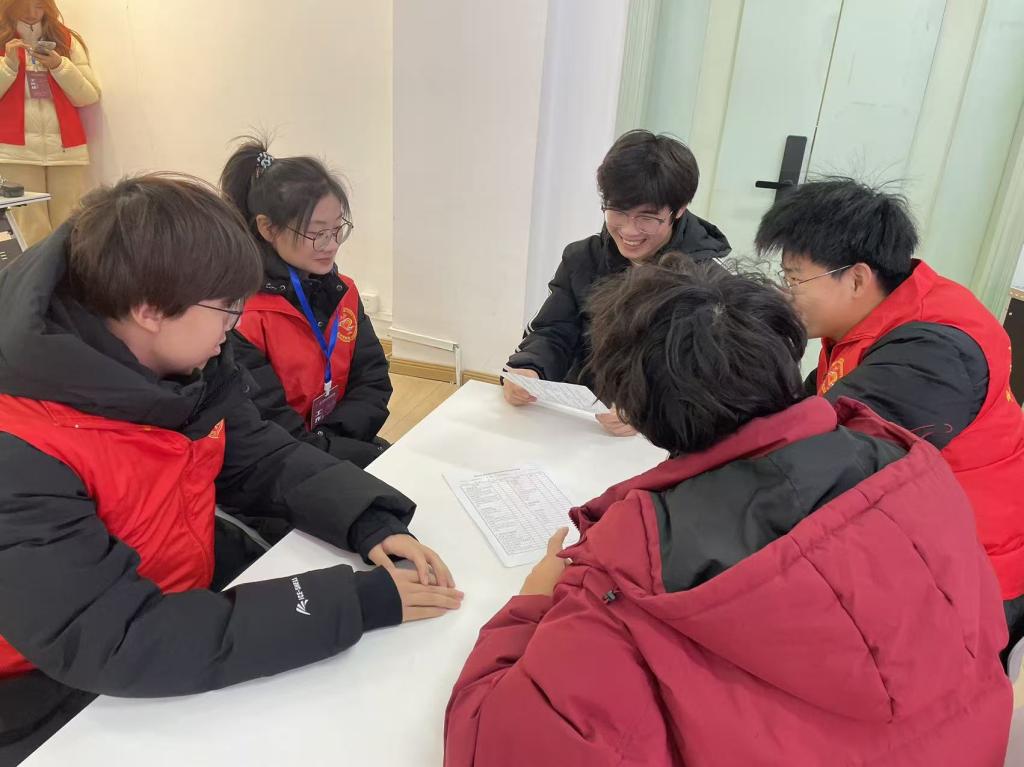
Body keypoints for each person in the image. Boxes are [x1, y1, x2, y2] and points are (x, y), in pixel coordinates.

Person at [445, 257, 1011, 766]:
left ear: (637, 410)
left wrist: (532, 601)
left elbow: (493, 743)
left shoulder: (631, 577)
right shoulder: (915, 476)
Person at [0, 175, 461, 763]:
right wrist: (349, 603)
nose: (234, 324)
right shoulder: (20, 451)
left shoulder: (186, 370)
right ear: (149, 310)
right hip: (46, 684)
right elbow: (114, 637)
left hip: (173, 605)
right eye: (225, 307)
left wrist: (366, 519)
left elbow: (260, 454)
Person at [756, 178, 1024, 659]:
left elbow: (822, 462)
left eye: (795, 279)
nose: (785, 293)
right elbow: (801, 411)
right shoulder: (878, 316)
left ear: (857, 279)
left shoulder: (931, 353)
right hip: (922, 542)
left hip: (973, 571)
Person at [503, 129, 730, 436]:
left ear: (679, 210)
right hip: (582, 421)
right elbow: (554, 330)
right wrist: (531, 368)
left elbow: (709, 378)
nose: (629, 230)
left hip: (662, 436)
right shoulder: (583, 258)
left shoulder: (708, 280)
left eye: (647, 217)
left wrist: (648, 412)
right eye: (618, 211)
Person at [222, 138, 391, 469]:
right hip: (280, 464)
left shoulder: (344, 292)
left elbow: (372, 380)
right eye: (317, 233)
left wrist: (335, 440)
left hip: (339, 444)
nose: (331, 245)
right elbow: (267, 423)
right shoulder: (242, 317)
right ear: (268, 228)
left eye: (337, 229)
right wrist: (333, 452)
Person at [0, 0, 100, 246]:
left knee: (71, 228)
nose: (31, 13)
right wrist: (8, 65)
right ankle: (38, 273)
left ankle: (69, 272)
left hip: (67, 150)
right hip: (15, 152)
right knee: (30, 232)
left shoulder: (66, 39)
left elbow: (88, 96)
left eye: (39, 6)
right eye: (24, 6)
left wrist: (59, 65)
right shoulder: (3, 40)